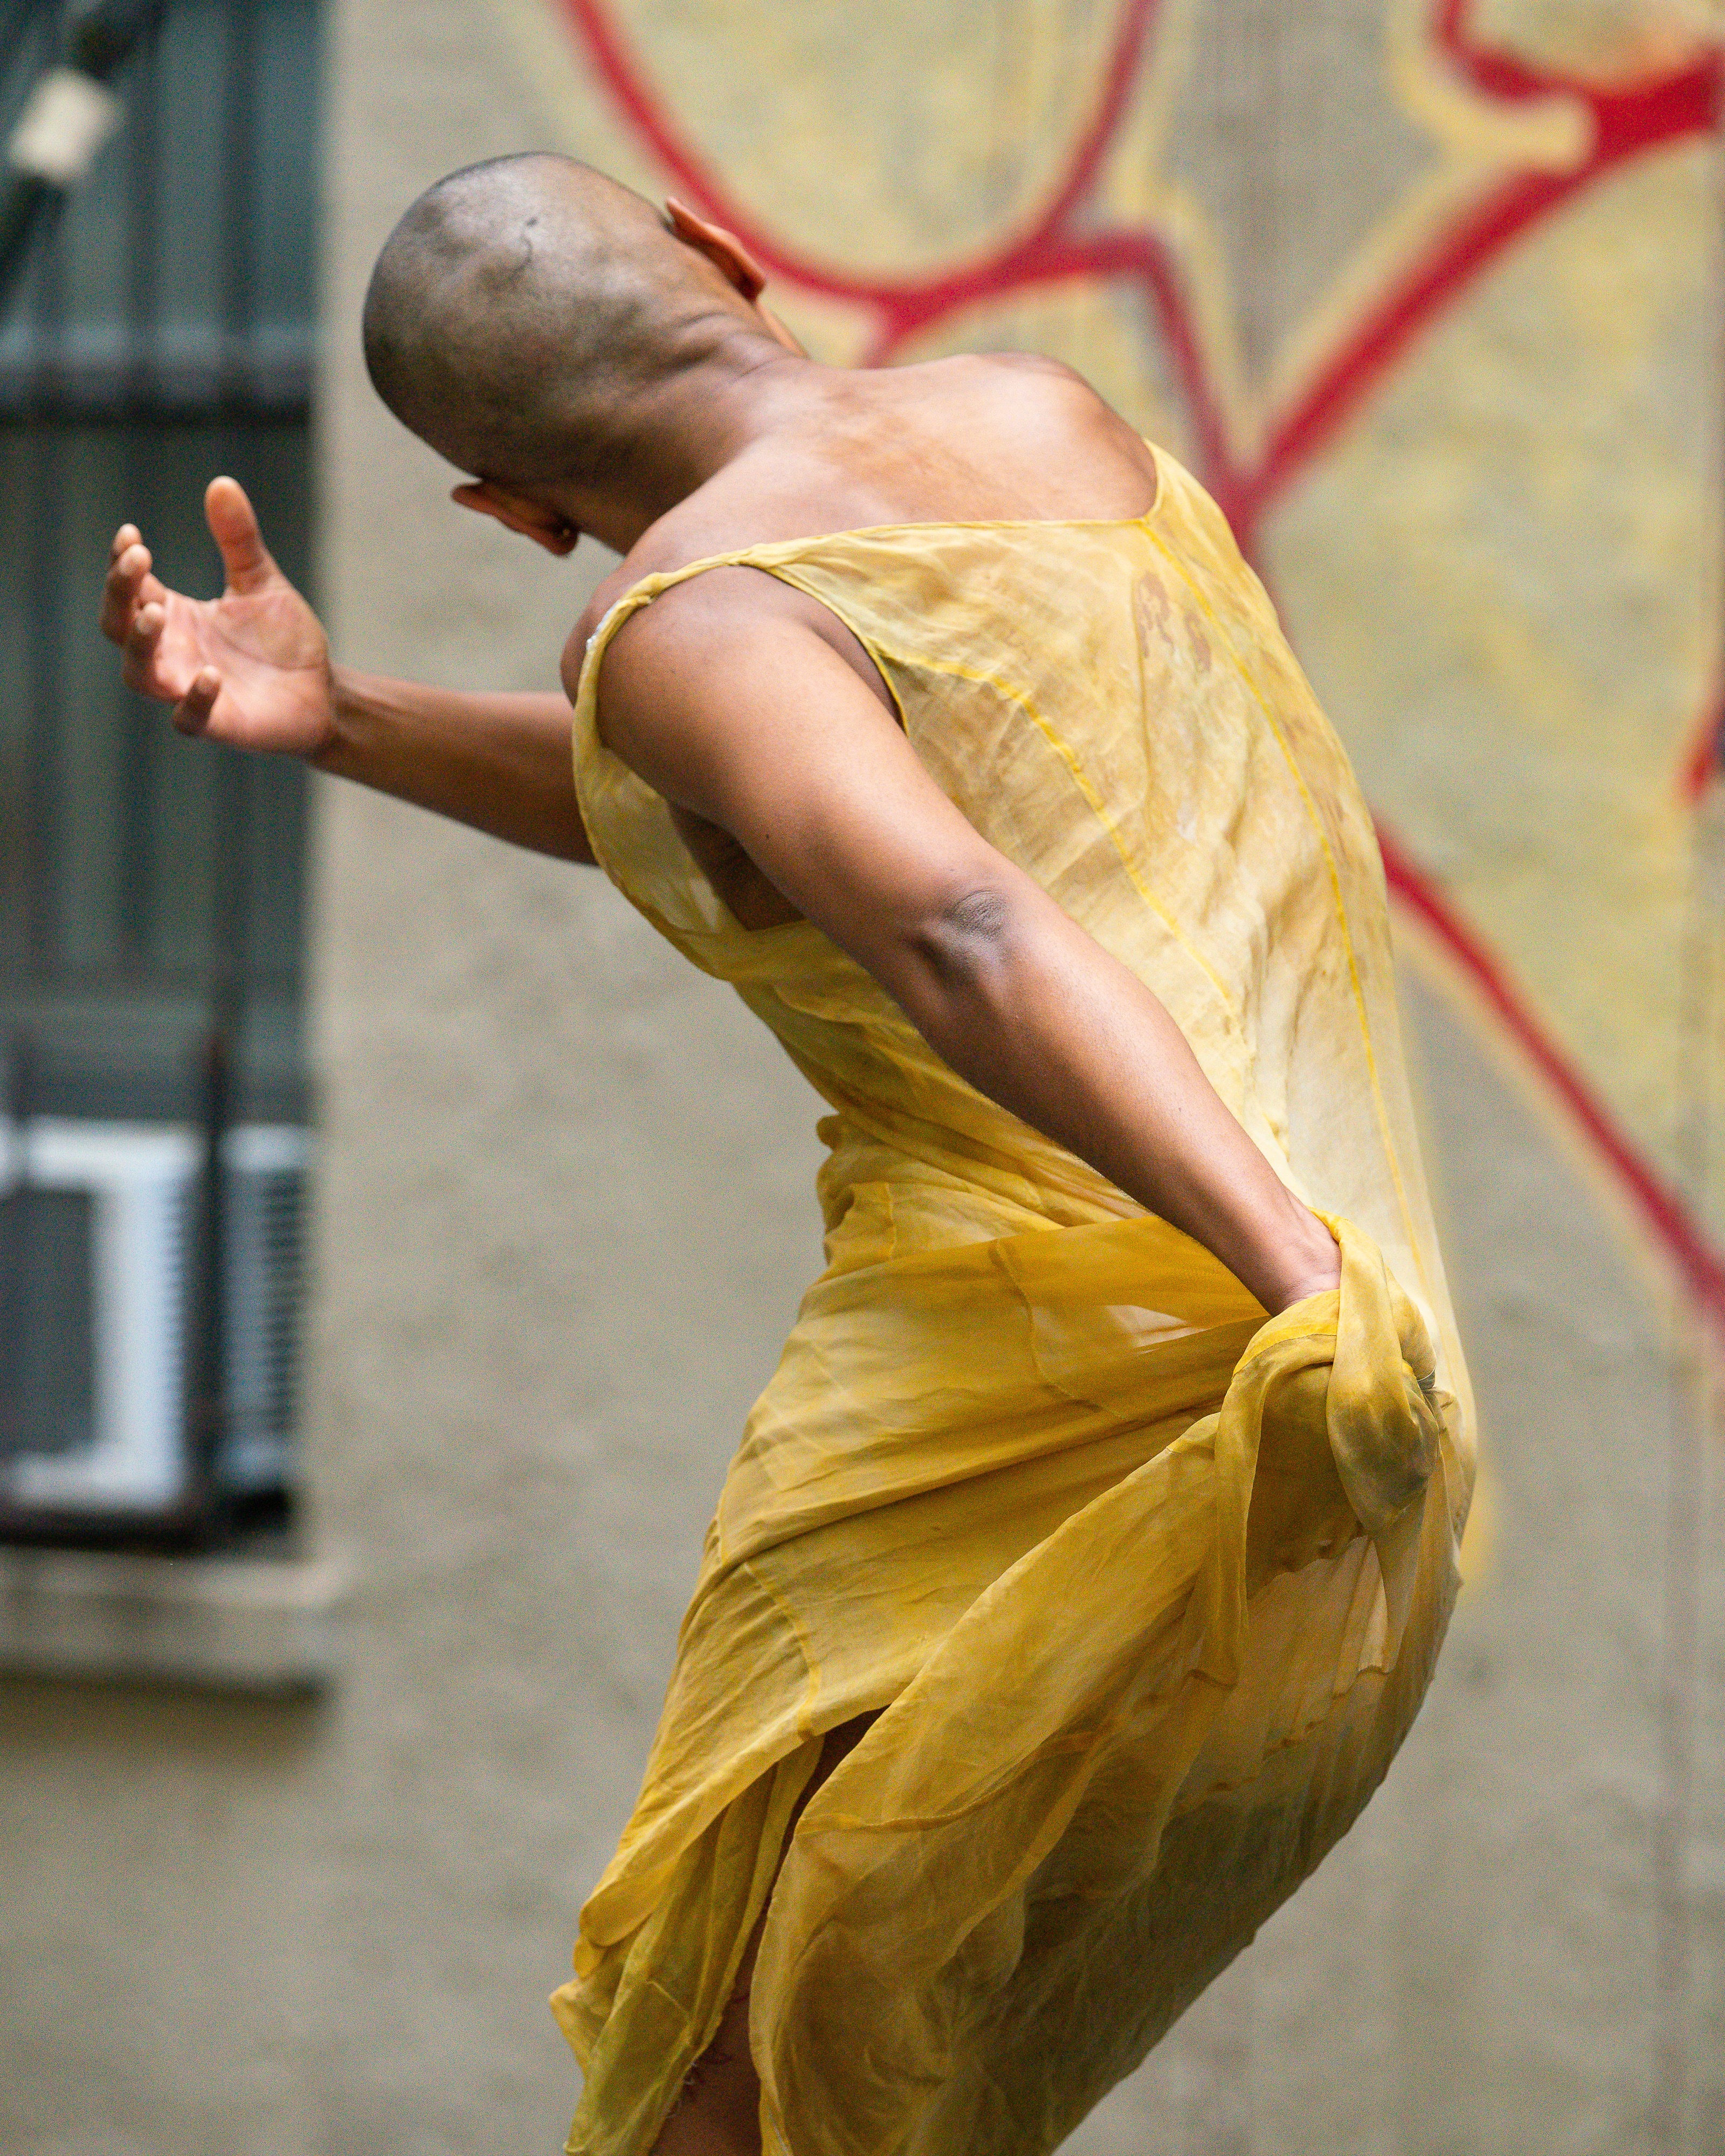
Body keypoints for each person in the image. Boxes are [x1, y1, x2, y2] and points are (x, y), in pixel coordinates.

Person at [102, 154, 1473, 2156]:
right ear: (725, 254)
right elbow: (729, 807)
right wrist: (343, 716)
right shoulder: (1044, 418)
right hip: (1328, 1402)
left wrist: (1294, 1283)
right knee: (884, 2065)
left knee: (740, 2066)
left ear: (512, 510)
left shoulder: (684, 639)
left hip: (1084, 1400)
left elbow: (960, 923)